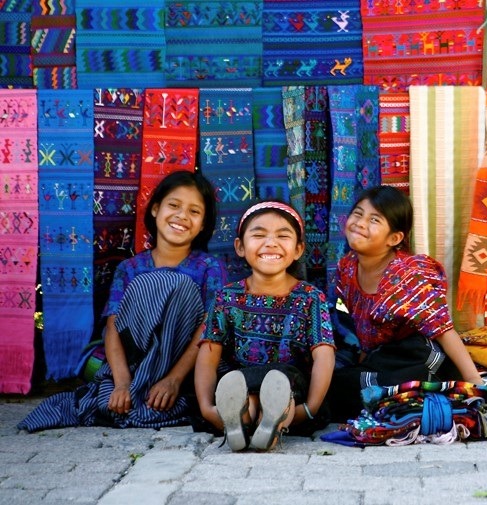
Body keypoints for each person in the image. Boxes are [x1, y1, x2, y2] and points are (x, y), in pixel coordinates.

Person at [18, 170, 226, 432]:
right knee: (111, 404)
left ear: (204, 224)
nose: (182, 216)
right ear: (155, 209)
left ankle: (159, 387)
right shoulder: (129, 268)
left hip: (181, 367)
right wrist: (122, 383)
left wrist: (173, 379)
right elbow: (114, 328)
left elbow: (209, 329)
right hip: (133, 366)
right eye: (174, 205)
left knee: (177, 285)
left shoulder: (208, 267)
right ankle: (139, 387)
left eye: (194, 212)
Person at [326, 185, 484, 422]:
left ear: (395, 238)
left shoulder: (409, 274)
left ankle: (413, 398)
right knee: (335, 381)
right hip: (382, 359)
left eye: (374, 219)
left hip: (417, 357)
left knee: (393, 376)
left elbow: (443, 330)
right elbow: (357, 321)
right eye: (358, 214)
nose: (360, 223)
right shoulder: (347, 268)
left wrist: (475, 385)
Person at [194, 200, 335, 451]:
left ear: (298, 249)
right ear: (240, 246)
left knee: (280, 385)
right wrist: (207, 407)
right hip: (242, 383)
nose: (271, 242)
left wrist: (311, 408)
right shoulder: (227, 297)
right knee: (244, 394)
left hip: (294, 390)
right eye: (259, 235)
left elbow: (324, 355)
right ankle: (246, 421)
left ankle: (267, 422)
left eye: (283, 236)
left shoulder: (310, 297)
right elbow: (208, 354)